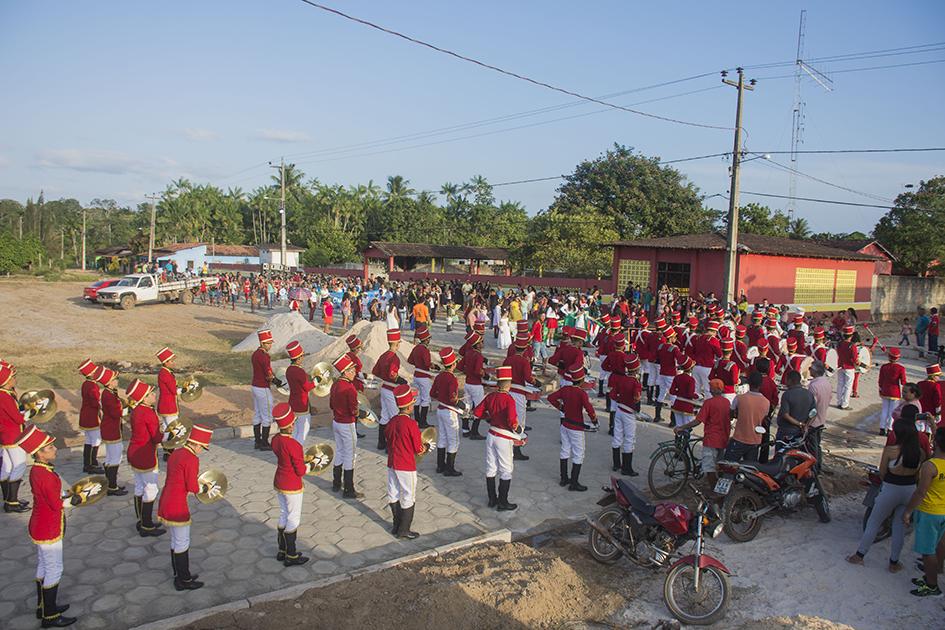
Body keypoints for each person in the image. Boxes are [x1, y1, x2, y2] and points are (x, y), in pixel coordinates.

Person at [21, 425, 100, 628]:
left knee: (43, 565)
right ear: (39, 453)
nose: (55, 449)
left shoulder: (39, 470)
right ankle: (50, 615)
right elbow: (56, 504)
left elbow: (51, 497)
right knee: (55, 568)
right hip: (48, 527)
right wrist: (79, 497)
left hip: (39, 525)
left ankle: (44, 606)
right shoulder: (45, 475)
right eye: (50, 447)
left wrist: (65, 494)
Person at [848, 418, 924, 572]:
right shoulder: (919, 453)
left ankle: (860, 555)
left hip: (891, 488)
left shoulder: (891, 451)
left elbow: (882, 473)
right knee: (899, 527)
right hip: (909, 489)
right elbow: (918, 476)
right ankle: (894, 562)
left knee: (874, 522)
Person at [157, 423, 214, 591]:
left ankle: (178, 575)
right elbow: (193, 487)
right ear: (195, 444)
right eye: (202, 447)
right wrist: (205, 487)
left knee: (175, 541)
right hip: (177, 504)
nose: (201, 450)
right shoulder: (191, 458)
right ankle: (185, 579)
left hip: (167, 499)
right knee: (182, 542)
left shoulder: (177, 453)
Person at [903, 427, 945, 597]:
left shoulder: (930, 466)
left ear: (935, 443)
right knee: (940, 545)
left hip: (929, 512)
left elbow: (920, 492)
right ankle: (934, 573)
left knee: (928, 552)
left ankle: (932, 585)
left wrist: (908, 511)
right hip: (943, 510)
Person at [271, 402, 312, 567]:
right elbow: (301, 471)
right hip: (292, 484)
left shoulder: (275, 440)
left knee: (283, 514)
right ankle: (292, 554)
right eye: (293, 423)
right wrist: (311, 465)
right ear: (289, 425)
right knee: (293, 518)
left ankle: (282, 550)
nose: (294, 425)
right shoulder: (294, 445)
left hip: (279, 480)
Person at [474, 365, 520, 510]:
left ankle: (492, 499)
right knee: (506, 469)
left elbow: (477, 412)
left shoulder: (491, 396)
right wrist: (518, 430)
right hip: (503, 437)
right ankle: (503, 502)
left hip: (491, 434)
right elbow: (512, 421)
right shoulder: (509, 399)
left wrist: (488, 417)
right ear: (509, 384)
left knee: (491, 467)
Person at [126, 379, 166, 538]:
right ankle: (146, 525)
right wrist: (169, 435)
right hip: (145, 455)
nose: (154, 395)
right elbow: (156, 437)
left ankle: (141, 519)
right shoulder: (148, 413)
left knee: (139, 486)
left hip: (134, 452)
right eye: (150, 394)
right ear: (143, 398)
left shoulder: (137, 410)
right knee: (151, 489)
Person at [385, 384, 426, 539]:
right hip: (406, 464)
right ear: (409, 407)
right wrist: (425, 447)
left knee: (393, 493)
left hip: (392, 462)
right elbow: (418, 448)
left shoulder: (392, 421)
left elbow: (388, 438)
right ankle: (404, 529)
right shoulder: (411, 424)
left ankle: (396, 525)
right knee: (409, 495)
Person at [548, 366, 597, 492]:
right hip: (576, 427)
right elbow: (589, 408)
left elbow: (551, 398)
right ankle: (574, 483)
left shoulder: (565, 389)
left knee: (565, 450)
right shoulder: (581, 393)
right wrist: (594, 420)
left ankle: (564, 478)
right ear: (581, 379)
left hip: (565, 424)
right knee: (578, 454)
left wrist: (561, 407)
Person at [674, 379, 731, 487]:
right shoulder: (726, 402)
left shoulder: (709, 403)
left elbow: (697, 421)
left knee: (709, 468)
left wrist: (682, 427)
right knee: (719, 466)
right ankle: (719, 488)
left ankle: (714, 490)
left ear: (713, 390)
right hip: (723, 439)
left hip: (711, 439)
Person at [329, 354, 364, 499]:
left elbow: (331, 405)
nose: (355, 373)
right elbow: (353, 411)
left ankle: (336, 482)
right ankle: (349, 489)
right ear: (346, 372)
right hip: (347, 423)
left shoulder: (335, 384)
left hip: (336, 421)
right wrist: (361, 414)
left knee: (340, 451)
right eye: (352, 370)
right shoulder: (349, 388)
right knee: (350, 455)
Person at [1, 361, 30, 513]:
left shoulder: (5, 394)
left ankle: (8, 499)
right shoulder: (4, 396)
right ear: (6, 381)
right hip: (13, 436)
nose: (14, 378)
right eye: (12, 377)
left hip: (6, 435)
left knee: (6, 467)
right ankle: (11, 502)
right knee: (19, 466)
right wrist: (31, 412)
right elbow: (18, 419)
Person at [725, 371, 770, 462]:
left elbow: (730, 415)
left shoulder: (739, 398)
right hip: (755, 440)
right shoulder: (766, 402)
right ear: (761, 384)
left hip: (739, 438)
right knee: (749, 469)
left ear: (748, 382)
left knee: (728, 465)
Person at [609, 354, 642, 476]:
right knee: (629, 439)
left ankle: (616, 464)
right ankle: (626, 468)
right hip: (629, 412)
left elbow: (612, 394)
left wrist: (620, 398)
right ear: (637, 369)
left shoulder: (621, 379)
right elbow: (637, 397)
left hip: (619, 410)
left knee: (617, 436)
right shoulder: (635, 382)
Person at [97, 367, 128, 496]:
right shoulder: (108, 395)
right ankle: (112, 486)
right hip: (112, 429)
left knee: (111, 457)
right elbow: (117, 413)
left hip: (111, 428)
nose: (117, 381)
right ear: (109, 382)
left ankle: (110, 483)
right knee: (115, 457)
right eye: (115, 379)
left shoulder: (110, 392)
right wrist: (130, 409)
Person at [431, 347, 462, 476]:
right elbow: (452, 398)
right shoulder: (452, 379)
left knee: (442, 438)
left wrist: (441, 397)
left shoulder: (439, 376)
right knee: (453, 440)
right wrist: (462, 405)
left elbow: (432, 393)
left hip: (440, 409)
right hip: (449, 412)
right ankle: (450, 468)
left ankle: (440, 466)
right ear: (453, 364)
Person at [372, 329, 403, 451]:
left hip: (384, 388)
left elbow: (375, 371)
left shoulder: (383, 355)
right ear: (396, 343)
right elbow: (393, 374)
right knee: (395, 417)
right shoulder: (394, 358)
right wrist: (402, 381)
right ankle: (391, 444)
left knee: (385, 416)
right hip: (391, 390)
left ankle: (381, 442)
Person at [285, 341, 316, 445]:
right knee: (302, 432)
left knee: (295, 432)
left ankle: (291, 453)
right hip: (302, 405)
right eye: (302, 356)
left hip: (292, 403)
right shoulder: (299, 371)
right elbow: (307, 387)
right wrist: (316, 382)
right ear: (298, 358)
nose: (303, 358)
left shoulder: (289, 369)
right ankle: (296, 453)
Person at [459, 332, 487, 439]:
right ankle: (474, 431)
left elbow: (460, 367)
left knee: (467, 406)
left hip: (467, 383)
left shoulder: (468, 353)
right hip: (476, 384)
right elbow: (477, 371)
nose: (482, 343)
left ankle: (465, 429)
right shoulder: (478, 355)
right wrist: (485, 375)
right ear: (477, 344)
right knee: (479, 408)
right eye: (481, 341)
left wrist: (468, 371)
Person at [776, 370, 816, 443]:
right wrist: (806, 425)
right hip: (801, 433)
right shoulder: (809, 394)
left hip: (786, 432)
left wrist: (800, 424)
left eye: (786, 379)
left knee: (781, 452)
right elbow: (814, 412)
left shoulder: (787, 394)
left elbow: (785, 415)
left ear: (790, 381)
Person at [251, 329, 275, 451]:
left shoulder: (255, 354)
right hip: (263, 387)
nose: (270, 345)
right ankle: (264, 442)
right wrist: (276, 381)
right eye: (268, 343)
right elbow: (269, 375)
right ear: (262, 343)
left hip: (254, 385)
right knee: (267, 416)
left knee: (257, 414)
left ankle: (257, 441)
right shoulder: (264, 356)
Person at [155, 347, 179, 461]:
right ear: (166, 362)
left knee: (166, 428)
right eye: (171, 361)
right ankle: (169, 452)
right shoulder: (166, 374)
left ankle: (166, 451)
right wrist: (184, 390)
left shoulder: (165, 372)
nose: (173, 363)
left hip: (164, 404)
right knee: (172, 429)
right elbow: (174, 390)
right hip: (169, 405)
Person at [807, 361, 831, 471]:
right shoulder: (826, 383)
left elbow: (811, 406)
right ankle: (818, 466)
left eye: (811, 368)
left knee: (812, 446)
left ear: (815, 371)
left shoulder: (814, 386)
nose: (809, 370)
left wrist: (806, 422)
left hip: (813, 421)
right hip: (822, 417)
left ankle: (814, 469)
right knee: (817, 444)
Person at [407, 326, 433, 429]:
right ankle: (423, 421)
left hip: (416, 375)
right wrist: (433, 365)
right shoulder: (425, 350)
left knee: (417, 398)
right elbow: (427, 363)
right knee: (425, 399)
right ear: (426, 339)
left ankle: (417, 419)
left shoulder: (416, 348)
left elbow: (410, 360)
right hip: (424, 376)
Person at [878, 348, 907, 436]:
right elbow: (903, 382)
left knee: (884, 410)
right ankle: (889, 429)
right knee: (892, 411)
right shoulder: (901, 368)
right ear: (897, 358)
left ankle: (882, 428)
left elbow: (880, 380)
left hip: (885, 390)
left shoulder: (884, 367)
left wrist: (880, 389)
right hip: (895, 391)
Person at [669, 357, 698, 429]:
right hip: (687, 405)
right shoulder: (691, 379)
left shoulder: (677, 377)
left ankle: (678, 439)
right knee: (687, 426)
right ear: (691, 368)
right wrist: (699, 396)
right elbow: (690, 394)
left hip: (677, 403)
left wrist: (679, 392)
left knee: (678, 426)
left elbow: (671, 391)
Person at [835, 325, 858, 409]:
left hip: (840, 366)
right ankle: (845, 404)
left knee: (840, 384)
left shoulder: (839, 344)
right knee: (848, 386)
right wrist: (858, 363)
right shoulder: (852, 346)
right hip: (849, 367)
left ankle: (838, 402)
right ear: (851, 336)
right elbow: (855, 359)